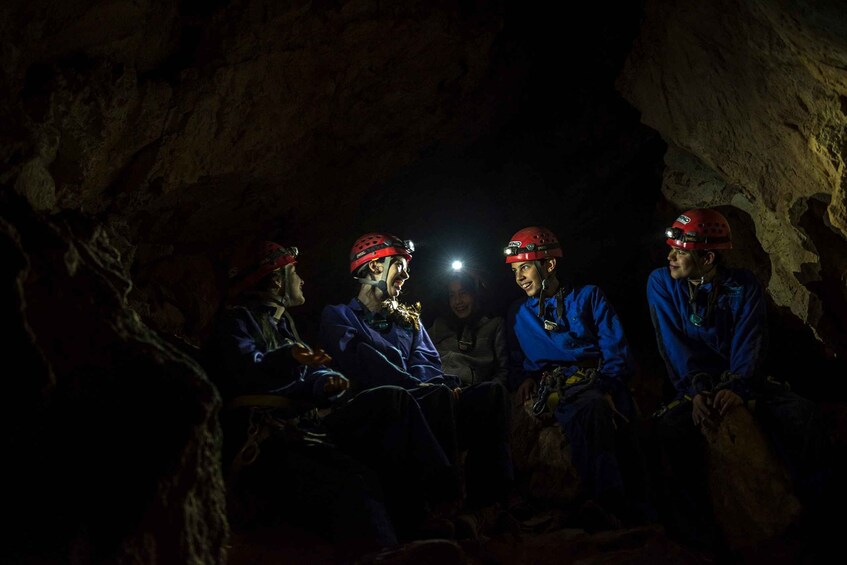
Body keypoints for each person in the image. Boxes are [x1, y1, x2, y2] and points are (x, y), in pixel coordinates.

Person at [204, 240, 456, 560]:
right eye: (293, 273)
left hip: (301, 425)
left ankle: (427, 514)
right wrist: (290, 358)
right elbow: (245, 369)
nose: (302, 280)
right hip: (265, 432)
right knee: (350, 477)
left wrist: (326, 383)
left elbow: (309, 373)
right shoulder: (238, 322)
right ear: (276, 280)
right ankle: (388, 548)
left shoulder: (282, 324)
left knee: (384, 421)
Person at [646, 207, 835, 552]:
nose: (670, 256)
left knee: (803, 416)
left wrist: (738, 387)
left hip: (742, 379)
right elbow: (672, 345)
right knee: (669, 431)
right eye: (671, 248)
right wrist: (696, 390)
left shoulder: (742, 285)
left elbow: (751, 341)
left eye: (680, 251)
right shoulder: (661, 283)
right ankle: (698, 534)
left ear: (707, 257)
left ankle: (819, 519)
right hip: (695, 384)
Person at [318, 233, 515, 528]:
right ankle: (444, 504)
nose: (406, 275)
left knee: (491, 395)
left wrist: (440, 385)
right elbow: (362, 362)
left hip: (423, 400)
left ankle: (489, 504)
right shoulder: (340, 316)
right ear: (374, 267)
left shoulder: (409, 320)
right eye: (399, 265)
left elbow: (427, 364)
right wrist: (422, 387)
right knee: (433, 396)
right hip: (380, 407)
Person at [504, 226, 654, 530]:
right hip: (551, 383)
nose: (519, 276)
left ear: (549, 265)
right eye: (515, 269)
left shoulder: (587, 297)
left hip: (589, 378)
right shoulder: (518, 313)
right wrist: (523, 378)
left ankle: (611, 503)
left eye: (526, 267)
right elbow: (516, 358)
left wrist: (608, 384)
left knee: (596, 409)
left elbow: (615, 348)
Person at [427, 268, 509, 388]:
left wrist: (489, 393)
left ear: (476, 294)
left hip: (473, 392)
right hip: (441, 389)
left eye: (463, 293)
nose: (458, 301)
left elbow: (504, 370)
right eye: (452, 295)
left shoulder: (494, 325)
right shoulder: (440, 325)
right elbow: (422, 357)